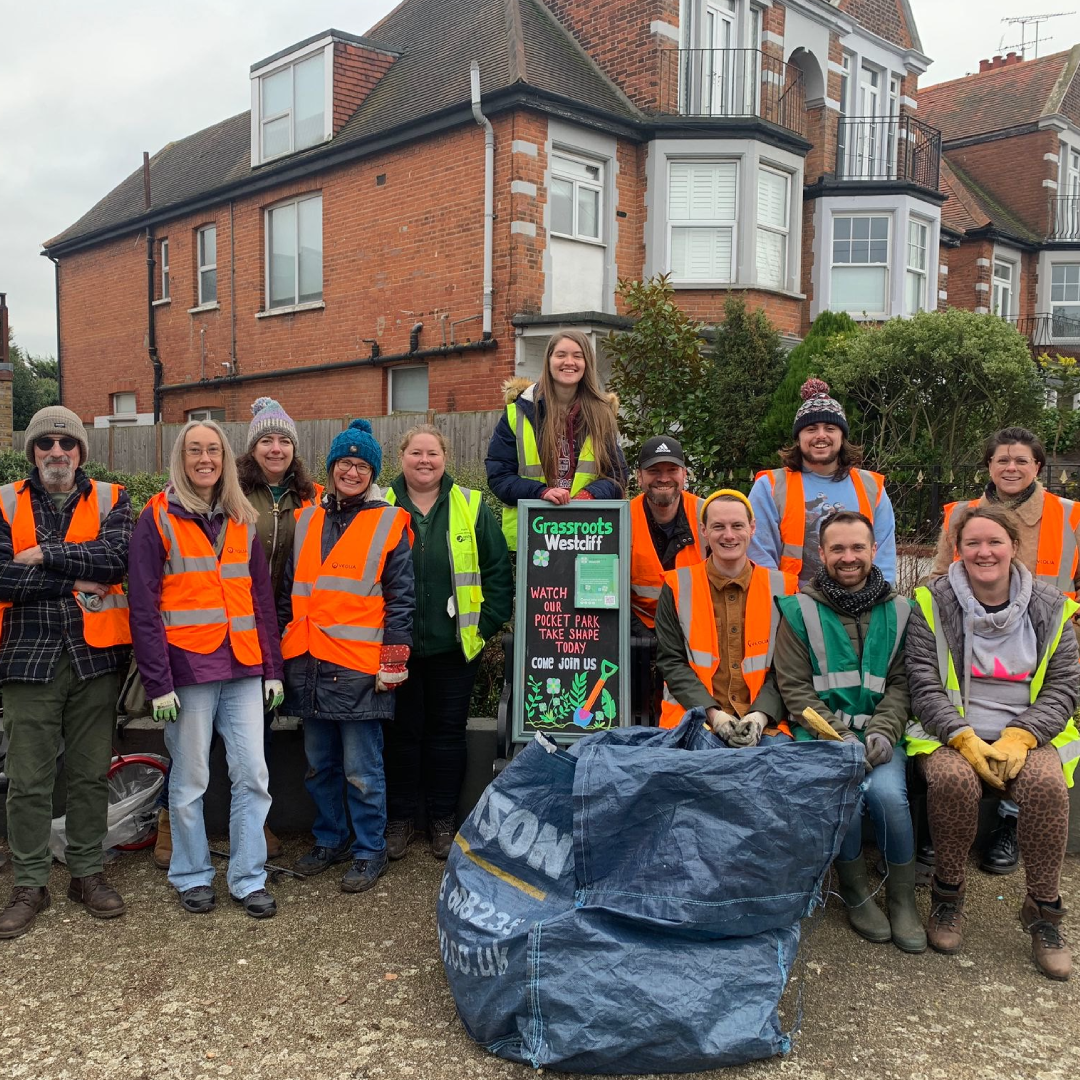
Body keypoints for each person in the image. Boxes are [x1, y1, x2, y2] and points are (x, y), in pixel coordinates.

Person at [906, 505, 1079, 979]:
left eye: (994, 542)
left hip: (1028, 734)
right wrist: (961, 737)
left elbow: (1063, 686)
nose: (984, 552)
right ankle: (948, 895)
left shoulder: (1052, 607)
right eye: (973, 543)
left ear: (1013, 547)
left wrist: (1022, 736)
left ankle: (1043, 911)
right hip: (949, 731)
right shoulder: (931, 602)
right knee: (952, 782)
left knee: (1046, 787)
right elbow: (923, 684)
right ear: (957, 550)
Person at [151, 397, 323, 869]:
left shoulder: (309, 498)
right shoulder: (217, 500)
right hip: (199, 643)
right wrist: (158, 677)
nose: (275, 448)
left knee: (254, 755)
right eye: (266, 439)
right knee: (192, 758)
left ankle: (251, 851)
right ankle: (177, 844)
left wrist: (271, 659)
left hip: (263, 633)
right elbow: (150, 599)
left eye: (283, 440)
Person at [129, 420, 283, 919]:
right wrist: (158, 683)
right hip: (188, 670)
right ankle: (192, 874)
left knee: (252, 776)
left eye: (213, 450)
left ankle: (247, 877)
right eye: (194, 450)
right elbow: (144, 608)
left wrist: (273, 669)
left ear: (224, 458)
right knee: (192, 778)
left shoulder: (241, 517)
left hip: (242, 666)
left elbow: (261, 599)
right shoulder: (156, 517)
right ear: (181, 456)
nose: (204, 459)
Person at [0, 407, 132, 939]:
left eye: (67, 443)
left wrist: (44, 555)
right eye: (46, 443)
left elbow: (116, 560)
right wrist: (76, 581)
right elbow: (4, 579)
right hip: (26, 659)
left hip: (94, 657)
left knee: (89, 774)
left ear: (81, 450)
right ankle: (29, 882)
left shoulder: (112, 498)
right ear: (32, 451)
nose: (58, 451)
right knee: (28, 780)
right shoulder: (4, 501)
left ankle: (86, 872)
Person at [929, 426, 1080, 875]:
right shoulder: (962, 513)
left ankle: (1009, 827)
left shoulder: (1070, 514)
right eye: (1001, 460)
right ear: (989, 466)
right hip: (971, 651)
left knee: (1036, 744)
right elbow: (938, 575)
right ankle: (944, 830)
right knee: (954, 741)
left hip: (1044, 651)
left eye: (1021, 460)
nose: (1011, 468)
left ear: (1038, 466)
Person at [773, 511, 923, 953]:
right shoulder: (798, 611)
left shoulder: (901, 610)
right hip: (823, 740)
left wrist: (881, 731)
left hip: (882, 738)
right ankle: (856, 892)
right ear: (821, 554)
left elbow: (902, 683)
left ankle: (902, 899)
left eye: (857, 547)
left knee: (889, 797)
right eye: (837, 548)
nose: (848, 557)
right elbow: (794, 688)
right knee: (848, 800)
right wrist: (841, 738)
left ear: (874, 551)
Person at [279, 419, 414, 892]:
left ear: (372, 472)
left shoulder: (389, 522)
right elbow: (290, 593)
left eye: (361, 465)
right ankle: (330, 839)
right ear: (332, 467)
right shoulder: (307, 519)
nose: (351, 472)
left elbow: (401, 599)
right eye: (344, 463)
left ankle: (369, 848)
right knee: (319, 766)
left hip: (359, 667)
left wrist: (394, 661)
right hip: (309, 662)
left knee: (362, 770)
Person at [382, 424, 512, 860]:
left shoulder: (471, 505)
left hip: (456, 651)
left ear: (445, 458)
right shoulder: (379, 505)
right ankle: (398, 820)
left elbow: (498, 574)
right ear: (401, 457)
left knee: (446, 737)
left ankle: (442, 822)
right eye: (416, 452)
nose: (424, 461)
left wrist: (484, 626)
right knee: (399, 736)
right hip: (392, 651)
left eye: (432, 453)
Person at [654, 490, 796, 738]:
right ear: (704, 531)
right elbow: (671, 661)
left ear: (752, 528)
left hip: (768, 728)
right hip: (693, 723)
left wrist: (760, 715)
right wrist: (713, 714)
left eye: (737, 526)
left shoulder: (784, 588)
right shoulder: (677, 585)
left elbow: (789, 668)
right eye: (718, 526)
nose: (729, 535)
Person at [486, 330, 627, 550]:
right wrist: (541, 492)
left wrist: (588, 496)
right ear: (549, 360)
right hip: (530, 536)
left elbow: (617, 476)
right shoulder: (518, 413)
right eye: (561, 355)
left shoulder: (601, 415)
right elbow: (499, 476)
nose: (569, 362)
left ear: (587, 363)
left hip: (586, 534)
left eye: (577, 356)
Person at [749, 378, 896, 587]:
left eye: (829, 428)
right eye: (811, 429)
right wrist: (782, 606)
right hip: (792, 607)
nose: (821, 435)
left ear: (842, 436)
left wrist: (879, 603)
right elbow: (759, 557)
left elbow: (884, 559)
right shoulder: (770, 486)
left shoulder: (872, 488)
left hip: (858, 608)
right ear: (798, 437)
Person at [629, 435, 705, 634]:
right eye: (654, 471)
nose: (663, 478)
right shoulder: (623, 519)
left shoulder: (708, 515)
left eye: (672, 470)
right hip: (641, 627)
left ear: (684, 475)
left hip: (698, 625)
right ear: (639, 477)